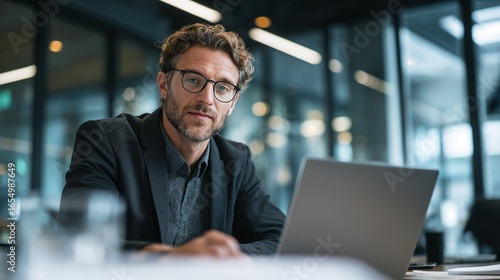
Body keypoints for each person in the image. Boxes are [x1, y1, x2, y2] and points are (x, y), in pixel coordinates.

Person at [58, 23, 286, 257]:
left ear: (233, 103)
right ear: (164, 85)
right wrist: (174, 259)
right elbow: (82, 234)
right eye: (194, 80)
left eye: (223, 88)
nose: (207, 99)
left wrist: (222, 257)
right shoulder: (106, 141)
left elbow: (281, 239)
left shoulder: (236, 162)